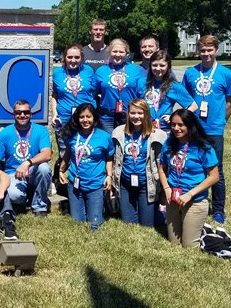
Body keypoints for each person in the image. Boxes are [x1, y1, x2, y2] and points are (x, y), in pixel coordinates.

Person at [182, 35, 231, 225]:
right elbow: (185, 100)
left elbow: (230, 101)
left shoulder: (226, 74)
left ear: (216, 50)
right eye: (202, 50)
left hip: (214, 129)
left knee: (216, 169)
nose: (206, 54)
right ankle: (196, 200)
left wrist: (221, 121)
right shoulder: (190, 73)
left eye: (209, 50)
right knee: (194, 165)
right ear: (198, 51)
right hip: (194, 128)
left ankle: (219, 209)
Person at [158, 109, 219, 248]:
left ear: (190, 126)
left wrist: (190, 194)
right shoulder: (169, 143)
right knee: (173, 243)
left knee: (189, 247)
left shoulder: (203, 147)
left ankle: (206, 231)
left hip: (194, 200)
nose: (176, 128)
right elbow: (161, 169)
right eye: (173, 125)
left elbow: (214, 177)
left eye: (181, 125)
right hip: (173, 198)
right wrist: (166, 189)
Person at [109, 99, 167, 227]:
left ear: (146, 114)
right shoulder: (118, 132)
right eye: (133, 113)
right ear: (128, 114)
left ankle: (160, 215)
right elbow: (114, 159)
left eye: (140, 113)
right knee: (129, 225)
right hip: (125, 183)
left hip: (146, 184)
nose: (136, 117)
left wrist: (163, 190)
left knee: (147, 225)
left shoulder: (157, 135)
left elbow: (162, 164)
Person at [0, 99, 53, 216]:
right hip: (13, 173)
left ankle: (40, 206)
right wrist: (0, 183)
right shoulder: (4, 134)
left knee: (45, 168)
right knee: (14, 195)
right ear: (13, 114)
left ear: (31, 114)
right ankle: (26, 198)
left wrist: (27, 163)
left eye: (26, 112)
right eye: (18, 113)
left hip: (33, 170)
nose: (22, 115)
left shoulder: (41, 131)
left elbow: (47, 154)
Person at [58, 104, 113, 228]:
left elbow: (109, 158)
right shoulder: (72, 135)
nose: (85, 120)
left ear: (94, 118)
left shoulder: (104, 137)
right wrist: (61, 170)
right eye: (82, 117)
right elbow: (67, 154)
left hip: (95, 184)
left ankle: (101, 208)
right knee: (77, 224)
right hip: (75, 184)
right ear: (77, 118)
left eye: (88, 116)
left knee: (95, 224)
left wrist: (109, 175)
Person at [51, 44, 97, 156]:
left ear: (81, 58)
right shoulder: (57, 73)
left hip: (86, 117)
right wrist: (54, 113)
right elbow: (54, 95)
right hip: (64, 117)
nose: (73, 60)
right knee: (64, 152)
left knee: (85, 150)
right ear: (64, 58)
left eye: (77, 57)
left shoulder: (88, 71)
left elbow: (94, 91)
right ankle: (62, 172)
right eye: (69, 57)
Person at [95, 38, 144, 135]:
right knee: (109, 145)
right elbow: (93, 92)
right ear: (109, 52)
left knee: (128, 144)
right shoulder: (101, 71)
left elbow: (141, 94)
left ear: (126, 53)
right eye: (115, 51)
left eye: (121, 52)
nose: (118, 54)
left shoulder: (134, 70)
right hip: (107, 117)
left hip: (129, 115)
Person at [140, 50, 196, 133]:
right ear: (150, 66)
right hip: (145, 128)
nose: (158, 68)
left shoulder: (174, 86)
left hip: (166, 130)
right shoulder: (141, 83)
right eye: (154, 65)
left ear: (168, 66)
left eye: (162, 65)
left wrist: (176, 117)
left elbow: (193, 106)